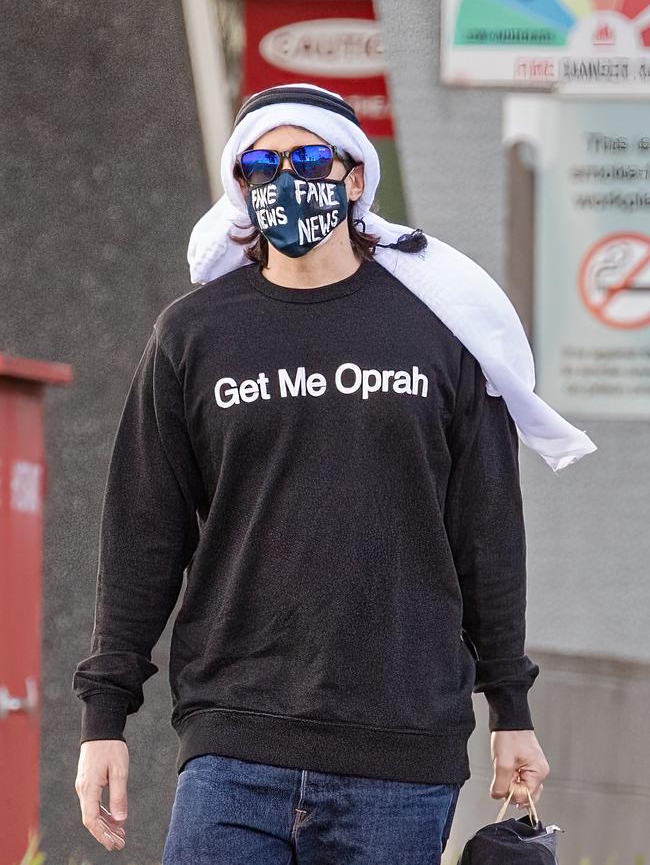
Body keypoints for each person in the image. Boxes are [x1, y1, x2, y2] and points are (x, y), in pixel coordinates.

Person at [72, 82, 585, 863]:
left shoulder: (437, 330)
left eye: (308, 159)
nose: (285, 181)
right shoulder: (195, 335)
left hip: (400, 752)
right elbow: (142, 530)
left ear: (354, 177)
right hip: (233, 741)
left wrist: (509, 704)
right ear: (239, 186)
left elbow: (487, 531)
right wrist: (103, 715)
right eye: (261, 166)